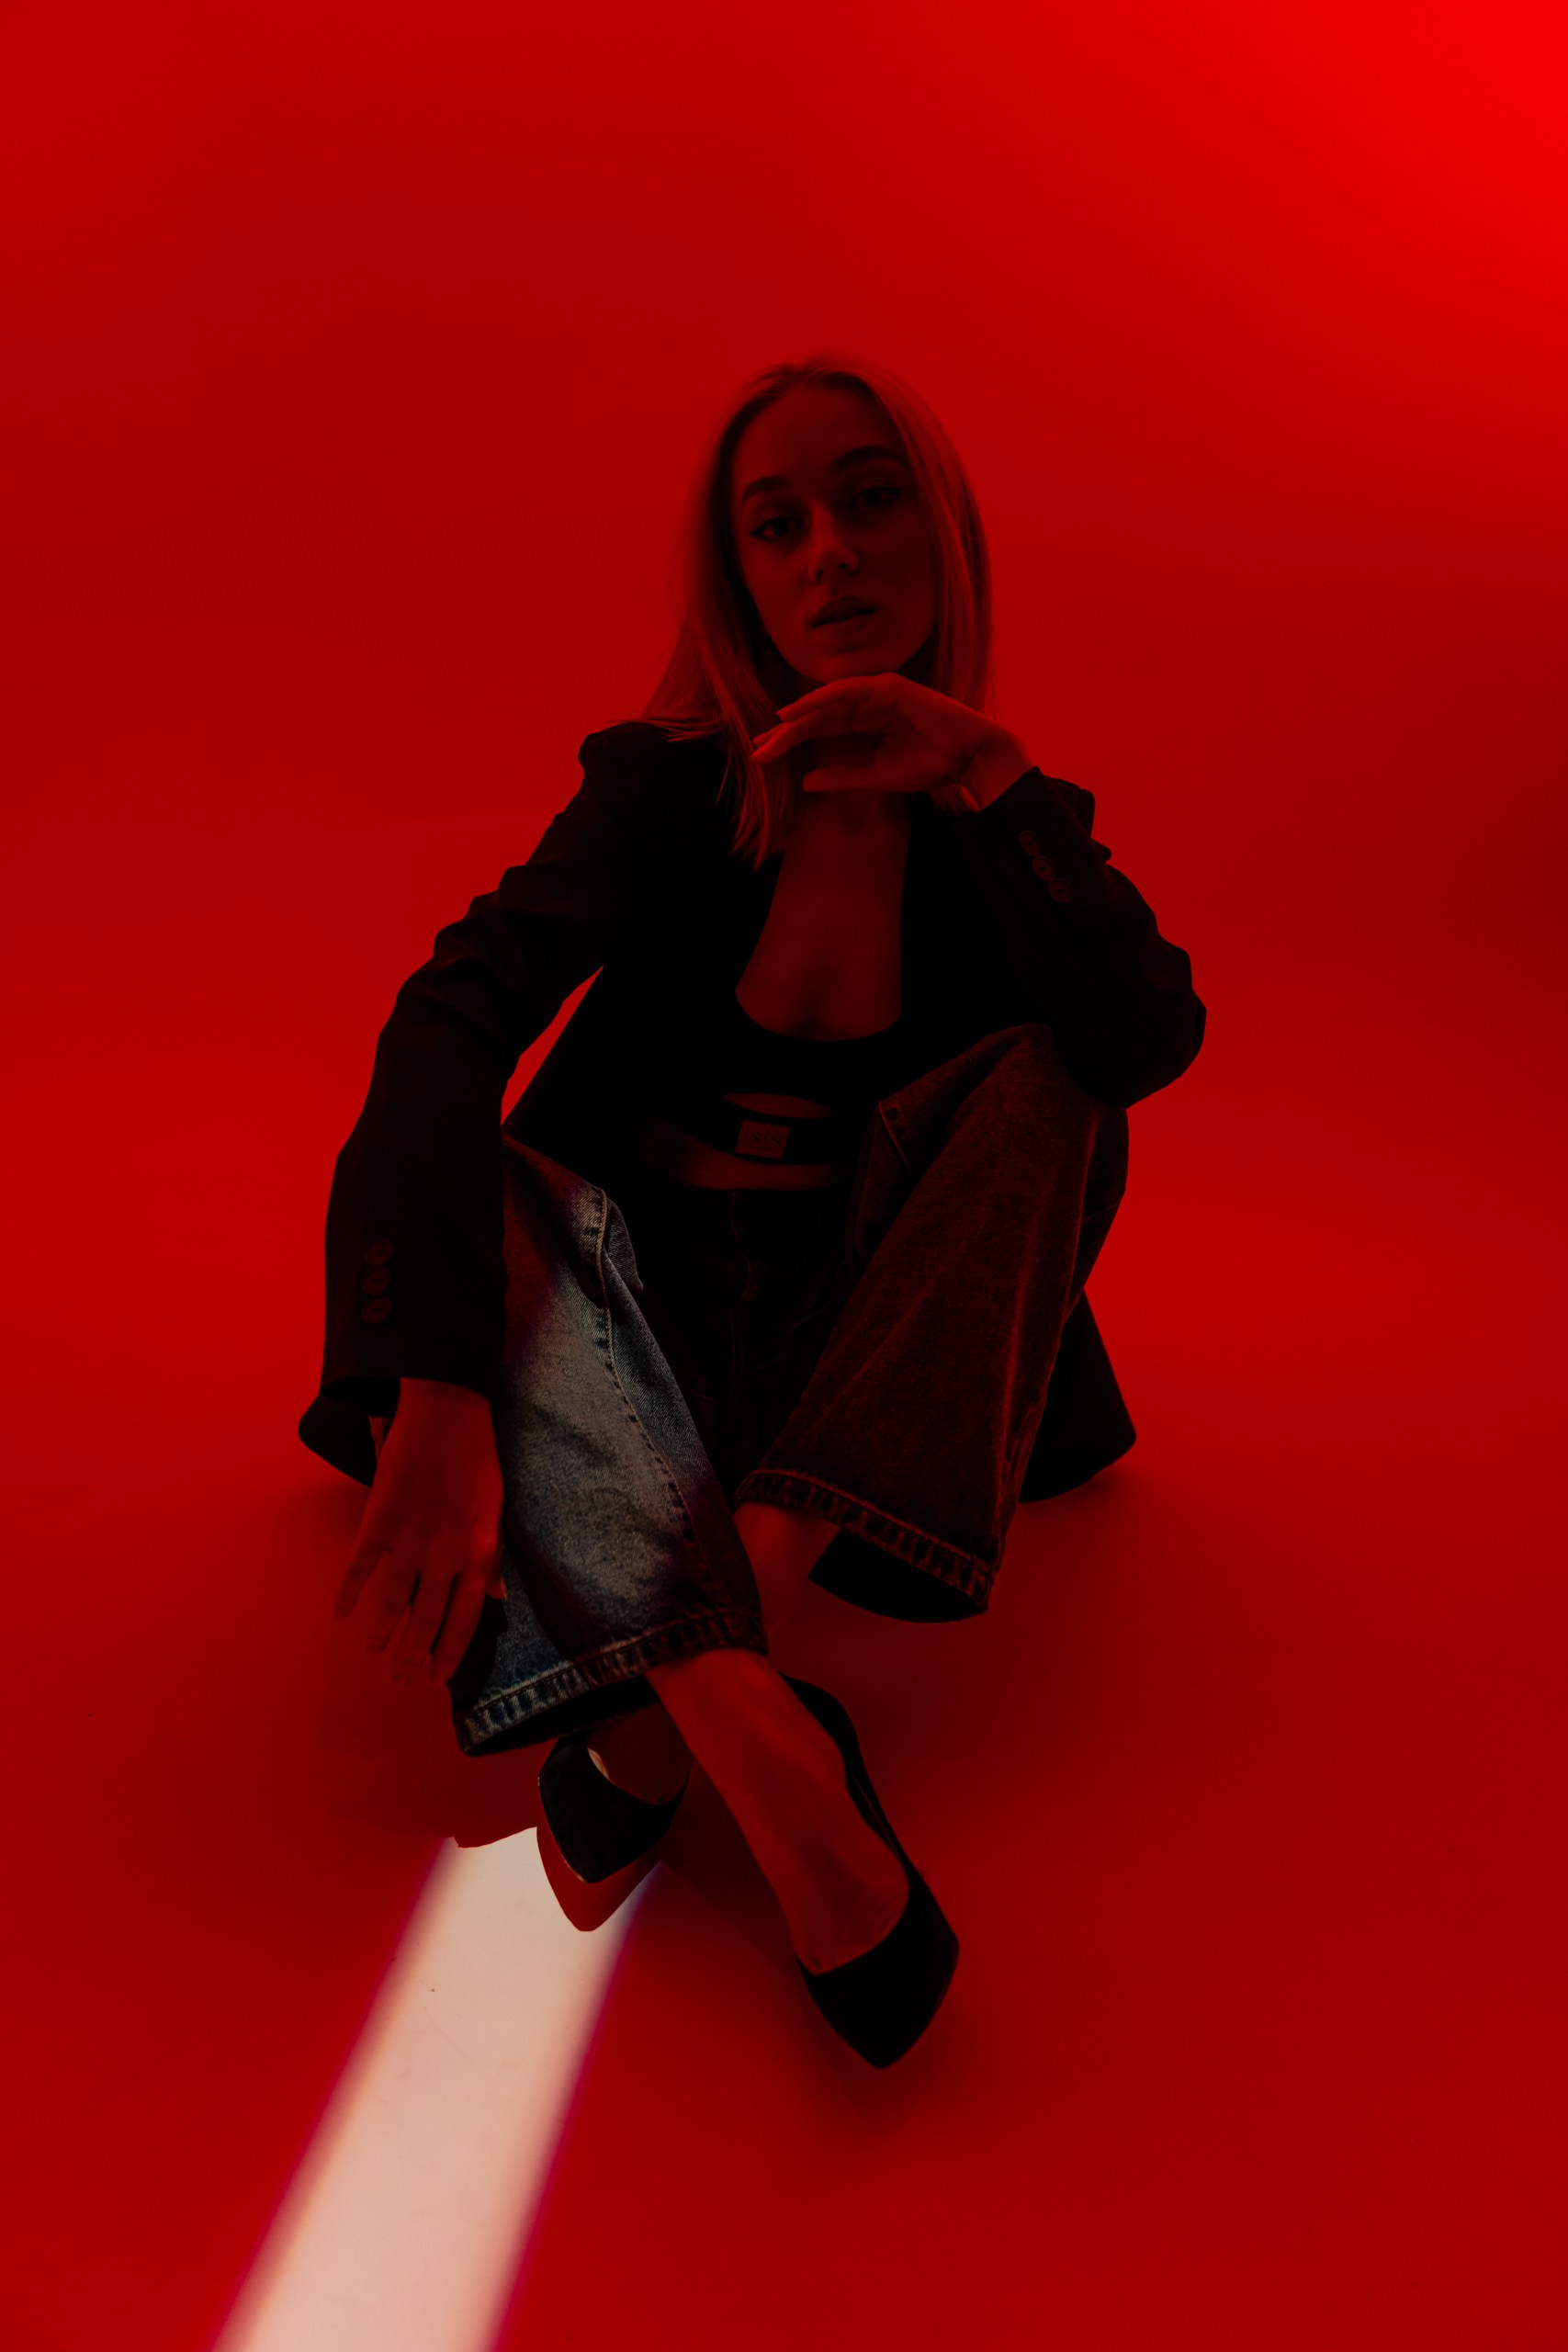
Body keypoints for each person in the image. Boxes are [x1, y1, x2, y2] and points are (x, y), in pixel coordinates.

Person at [299, 354, 1206, 2066]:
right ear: (737, 579)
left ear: (941, 532)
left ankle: (692, 1678)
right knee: (451, 1154)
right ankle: (769, 1743)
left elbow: (1148, 1038)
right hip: (622, 1328)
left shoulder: (1006, 827)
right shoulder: (663, 787)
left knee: (1059, 1083)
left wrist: (988, 773)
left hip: (847, 1357)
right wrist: (443, 1381)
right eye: (775, 526)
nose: (829, 554)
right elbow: (445, 1023)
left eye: (868, 499)